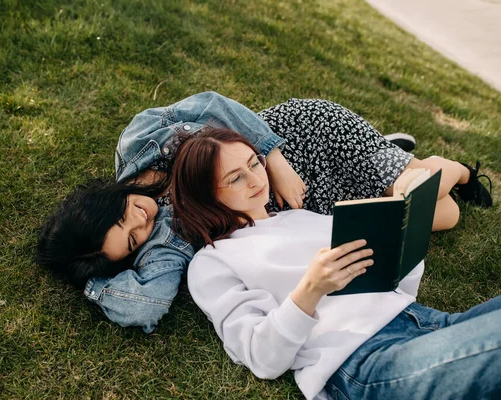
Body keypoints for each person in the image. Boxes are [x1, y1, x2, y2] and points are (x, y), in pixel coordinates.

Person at [36, 92, 492, 333]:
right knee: (441, 217)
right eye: (132, 240)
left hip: (290, 144)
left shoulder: (138, 142)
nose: (141, 220)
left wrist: (274, 158)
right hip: (296, 206)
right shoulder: (162, 244)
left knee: (417, 192)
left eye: (120, 219)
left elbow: (213, 105)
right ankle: (412, 163)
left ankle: (455, 170)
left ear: (98, 201)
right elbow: (145, 307)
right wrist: (90, 279)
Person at [170, 128, 500, 400]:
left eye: (254, 164)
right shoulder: (212, 262)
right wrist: (309, 291)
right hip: (366, 363)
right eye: (236, 178)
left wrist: (401, 222)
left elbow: (397, 281)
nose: (256, 179)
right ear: (206, 195)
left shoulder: (300, 216)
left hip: (424, 322)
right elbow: (261, 358)